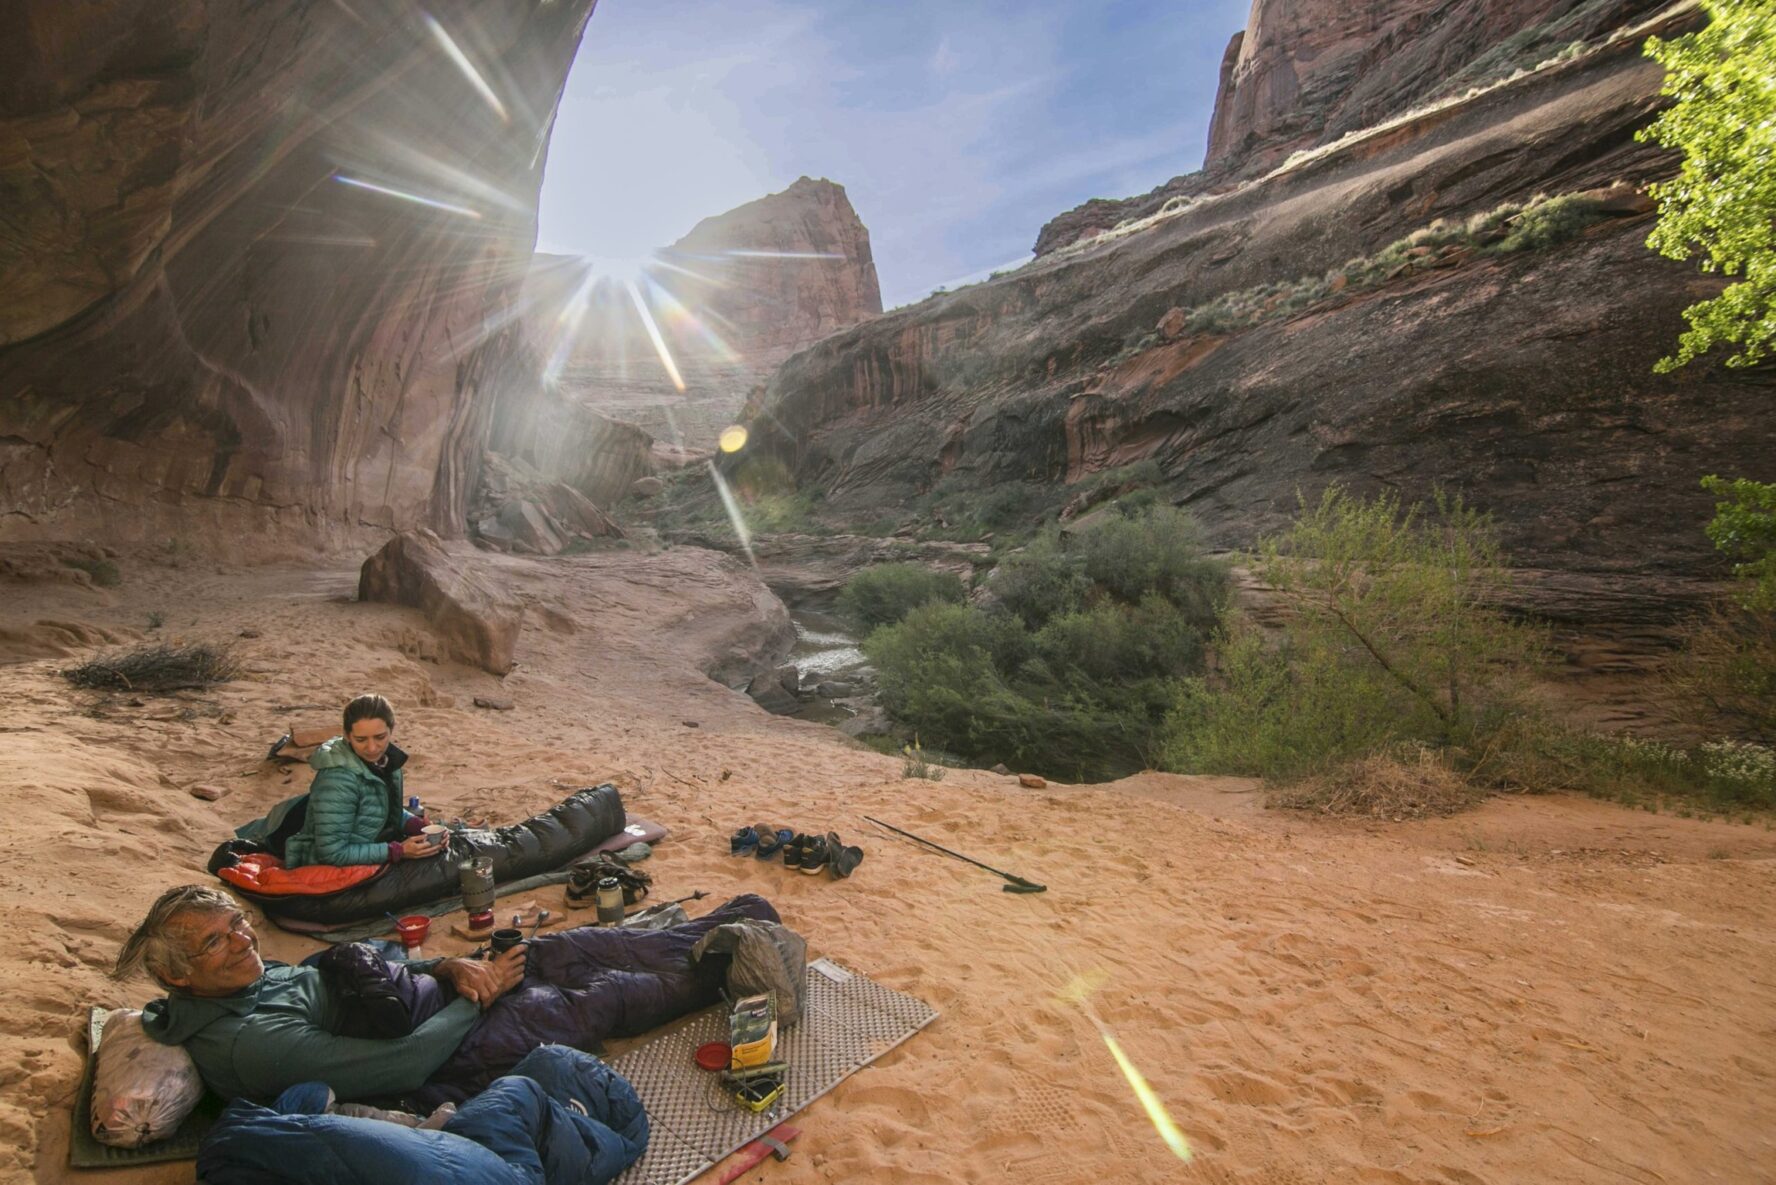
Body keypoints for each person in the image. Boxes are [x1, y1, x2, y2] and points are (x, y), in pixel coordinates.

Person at [116, 884, 779, 1107]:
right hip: (451, 1044)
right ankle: (722, 962)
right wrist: (477, 995)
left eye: (236, 923)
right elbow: (397, 1066)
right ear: (179, 975)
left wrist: (454, 964)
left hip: (425, 993)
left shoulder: (250, 976)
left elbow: (358, 971)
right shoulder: (246, 1042)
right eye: (215, 941)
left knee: (565, 948)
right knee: (596, 997)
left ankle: (732, 917)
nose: (240, 940)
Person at [245, 694, 445, 869]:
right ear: (347, 736)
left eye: (380, 737)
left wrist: (411, 822)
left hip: (369, 847)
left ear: (391, 731)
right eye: (361, 740)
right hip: (320, 863)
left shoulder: (386, 763)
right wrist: (397, 851)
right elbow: (331, 853)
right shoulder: (337, 779)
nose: (372, 748)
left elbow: (377, 809)